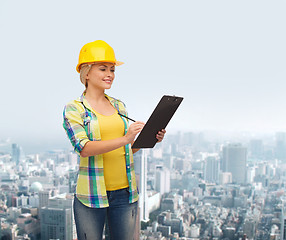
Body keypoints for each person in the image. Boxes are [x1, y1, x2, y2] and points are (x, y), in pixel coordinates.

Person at [63, 40, 166, 240]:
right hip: (91, 196)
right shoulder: (75, 109)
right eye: (103, 69)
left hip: (125, 194)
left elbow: (125, 150)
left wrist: (150, 139)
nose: (110, 74)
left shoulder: (119, 106)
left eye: (112, 69)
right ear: (86, 72)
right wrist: (125, 138)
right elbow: (84, 148)